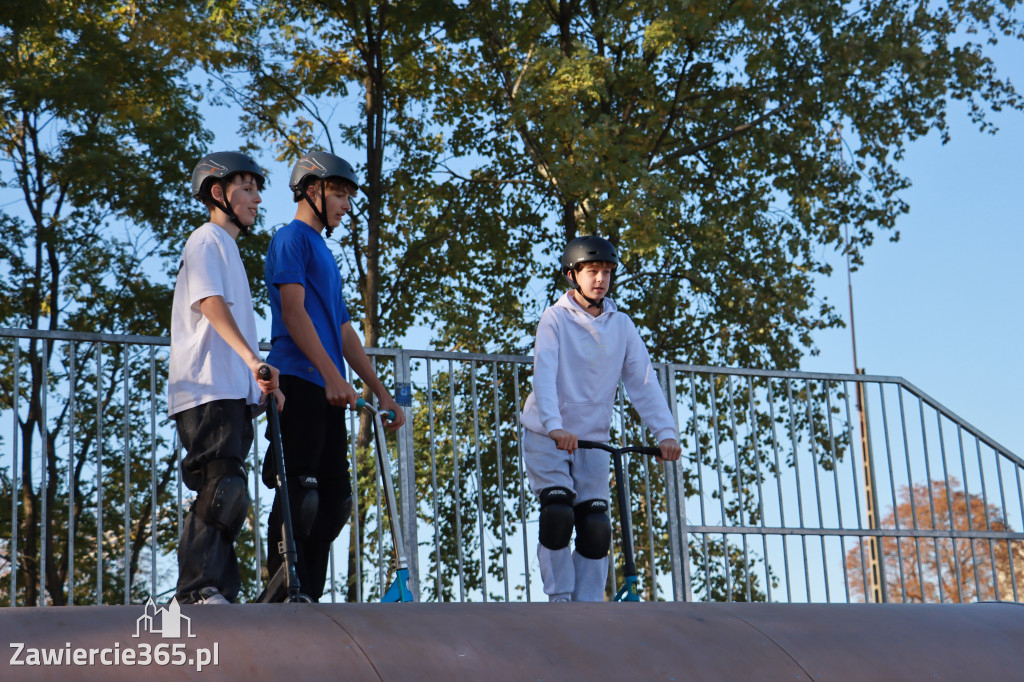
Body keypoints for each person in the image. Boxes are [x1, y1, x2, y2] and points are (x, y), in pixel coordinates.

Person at [262, 150, 405, 602]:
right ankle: (284, 588)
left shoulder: (325, 252)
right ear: (311, 190)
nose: (346, 204)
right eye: (339, 193)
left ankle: (310, 596)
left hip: (328, 388)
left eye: (348, 195)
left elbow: (343, 330)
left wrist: (379, 390)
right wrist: (329, 375)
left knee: (335, 499)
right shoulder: (291, 239)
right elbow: (293, 311)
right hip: (300, 381)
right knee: (300, 493)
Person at [520, 235, 683, 602]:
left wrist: (665, 433)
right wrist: (554, 425)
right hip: (548, 436)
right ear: (571, 275)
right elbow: (544, 374)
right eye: (592, 271)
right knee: (558, 511)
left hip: (593, 441)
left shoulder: (621, 325)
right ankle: (560, 598)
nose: (600, 279)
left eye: (606, 272)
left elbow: (642, 380)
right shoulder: (555, 318)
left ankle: (589, 603)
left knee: (595, 523)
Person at [168, 151, 284, 605]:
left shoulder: (228, 248)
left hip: (227, 391)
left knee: (230, 493)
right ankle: (195, 591)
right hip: (204, 387)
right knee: (222, 488)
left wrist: (256, 386)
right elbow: (210, 304)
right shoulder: (206, 240)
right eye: (247, 189)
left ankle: (218, 589)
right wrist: (254, 361)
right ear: (219, 193)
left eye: (258, 190)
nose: (257, 198)